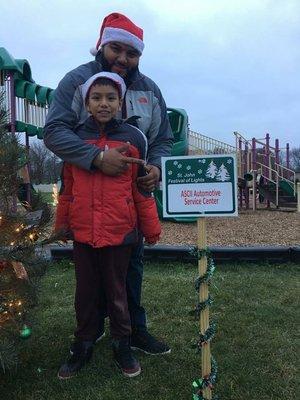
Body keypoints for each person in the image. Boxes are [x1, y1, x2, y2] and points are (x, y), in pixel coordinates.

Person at [44, 12, 173, 355]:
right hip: (86, 197)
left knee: (130, 266)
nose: (123, 59)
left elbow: (162, 138)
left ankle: (133, 330)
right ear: (102, 45)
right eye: (116, 49)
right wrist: (97, 159)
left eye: (132, 54)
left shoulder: (149, 89)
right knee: (90, 272)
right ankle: (91, 330)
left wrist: (157, 168)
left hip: (129, 200)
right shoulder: (75, 80)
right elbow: (54, 130)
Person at [55, 72, 161, 379]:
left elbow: (140, 190)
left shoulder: (133, 139)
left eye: (110, 98)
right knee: (85, 293)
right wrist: (63, 225)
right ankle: (83, 343)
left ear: (120, 103)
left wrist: (151, 229)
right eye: (97, 98)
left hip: (120, 234)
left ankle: (122, 343)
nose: (104, 103)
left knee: (118, 293)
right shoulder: (74, 139)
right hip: (84, 234)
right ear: (87, 103)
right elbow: (68, 188)